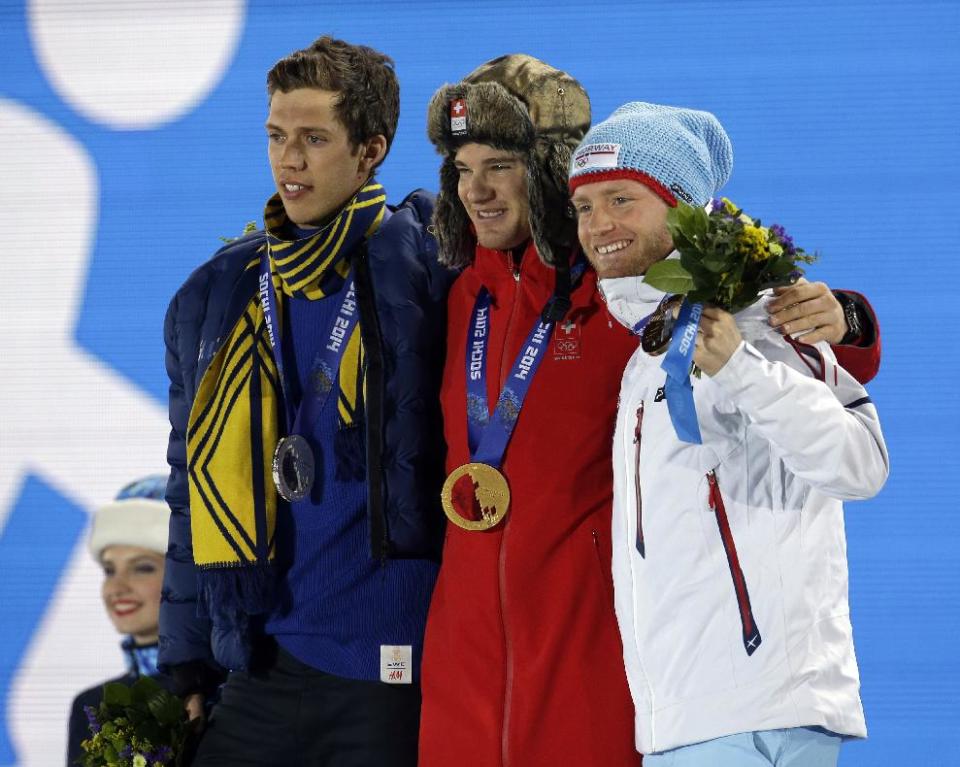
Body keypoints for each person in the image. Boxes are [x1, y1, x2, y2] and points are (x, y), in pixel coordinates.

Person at [419, 55, 885, 767]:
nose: (476, 187)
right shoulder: (458, 298)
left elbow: (797, 361)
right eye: (460, 166)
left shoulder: (632, 305)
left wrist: (843, 320)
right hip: (513, 689)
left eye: (501, 162)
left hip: (632, 691)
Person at [159, 36, 451, 766]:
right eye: (277, 136)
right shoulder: (215, 295)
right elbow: (187, 492)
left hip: (385, 670)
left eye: (315, 138)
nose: (290, 159)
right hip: (261, 662)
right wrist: (188, 664)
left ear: (370, 149)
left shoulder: (432, 269)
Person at [568, 102, 889, 765]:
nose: (599, 224)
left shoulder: (761, 316)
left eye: (622, 199)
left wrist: (740, 367)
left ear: (684, 209)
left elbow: (859, 464)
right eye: (584, 206)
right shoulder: (647, 352)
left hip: (757, 708)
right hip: (689, 716)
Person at [67, 475, 172, 766]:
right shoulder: (90, 706)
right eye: (109, 571)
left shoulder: (232, 694)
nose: (117, 588)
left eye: (142, 568)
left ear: (187, 577)